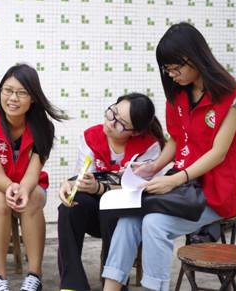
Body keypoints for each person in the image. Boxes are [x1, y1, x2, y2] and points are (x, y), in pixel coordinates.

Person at [102, 22, 236, 291]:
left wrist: (174, 180)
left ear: (193, 57)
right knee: (128, 219)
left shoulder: (233, 97)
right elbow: (177, 139)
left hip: (214, 193)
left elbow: (219, 153)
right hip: (183, 188)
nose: (171, 75)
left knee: (154, 224)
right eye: (166, 69)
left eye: (174, 67)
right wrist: (155, 166)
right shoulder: (179, 93)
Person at [0, 64, 67, 291]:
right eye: (7, 90)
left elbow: (33, 173)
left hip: (29, 186)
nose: (13, 98)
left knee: (31, 199)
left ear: (33, 97)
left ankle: (35, 276)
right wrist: (11, 188)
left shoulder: (43, 128)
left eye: (22, 93)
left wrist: (22, 189)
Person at [57, 93, 165, 291]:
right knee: (69, 208)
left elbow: (141, 189)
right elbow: (83, 177)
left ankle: (115, 282)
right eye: (112, 113)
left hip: (125, 215)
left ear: (135, 131)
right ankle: (72, 284)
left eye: (120, 123)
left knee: (115, 206)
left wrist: (101, 187)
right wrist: (70, 184)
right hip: (94, 213)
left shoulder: (149, 146)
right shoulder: (91, 136)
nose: (110, 122)